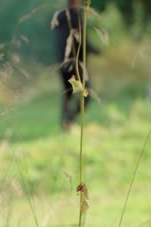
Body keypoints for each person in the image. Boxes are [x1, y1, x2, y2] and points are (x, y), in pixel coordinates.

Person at [51, 0, 100, 130]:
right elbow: (83, 42)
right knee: (86, 93)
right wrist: (97, 50)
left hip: (63, 65)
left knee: (68, 93)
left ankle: (65, 123)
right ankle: (70, 119)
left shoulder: (60, 19)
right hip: (75, 67)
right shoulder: (75, 18)